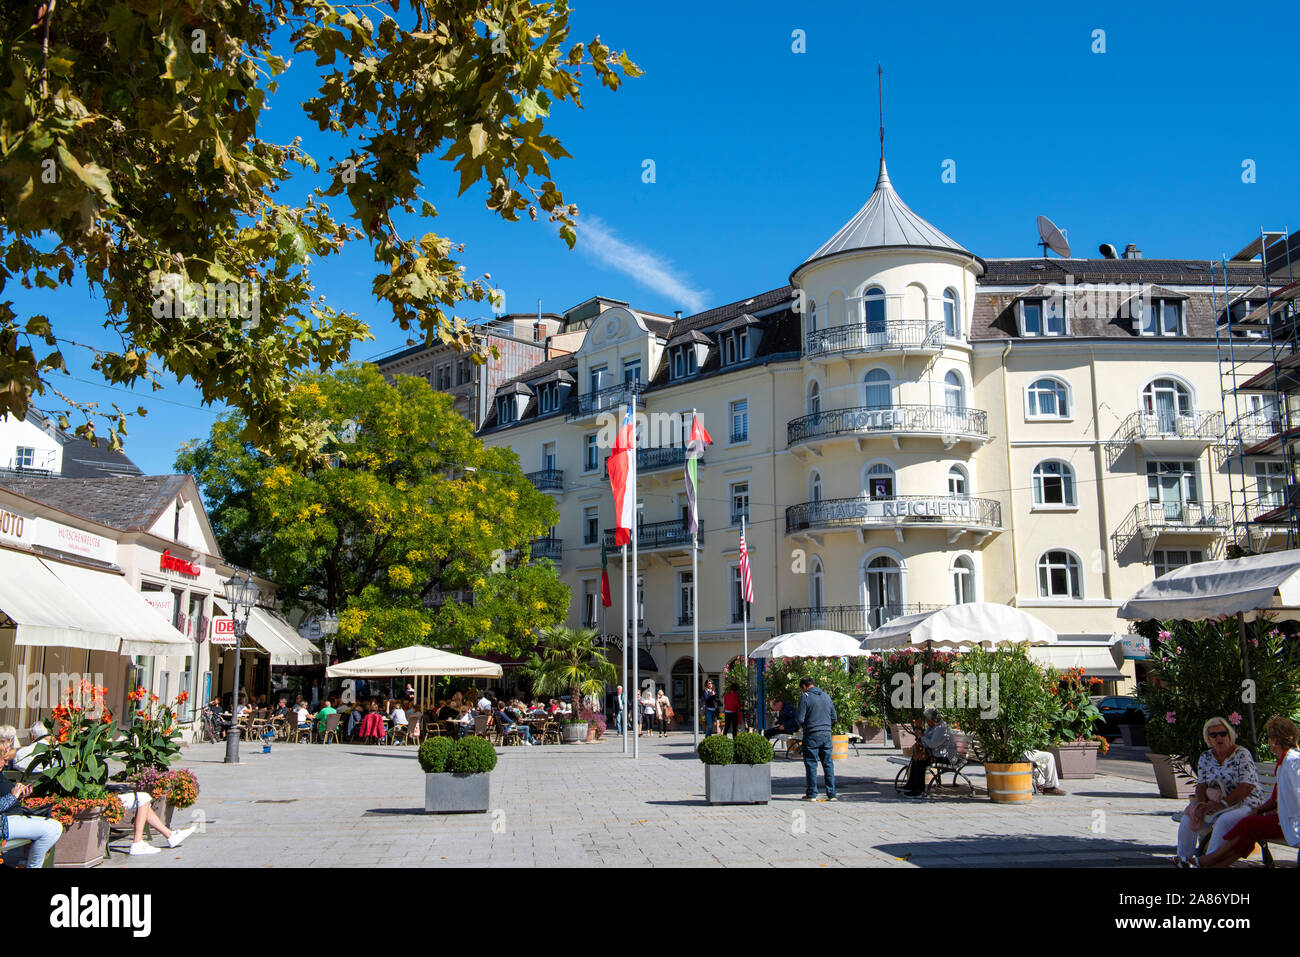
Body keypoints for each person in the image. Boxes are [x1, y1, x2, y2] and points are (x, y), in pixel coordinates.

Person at [1191, 715, 1300, 868]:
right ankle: (1210, 863)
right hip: (1284, 818)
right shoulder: (1285, 760)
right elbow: (1276, 798)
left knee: (1248, 825)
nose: (1268, 742)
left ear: (1274, 740)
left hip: (1291, 821)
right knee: (1249, 827)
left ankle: (1206, 861)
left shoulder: (1292, 761)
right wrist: (1260, 810)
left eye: (1269, 738)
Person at [1175, 716, 1269, 866]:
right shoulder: (1206, 756)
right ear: (1208, 738)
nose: (1219, 738)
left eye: (1223, 733)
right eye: (1214, 735)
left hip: (1246, 803)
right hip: (1217, 802)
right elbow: (1201, 785)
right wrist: (1200, 804)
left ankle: (1208, 863)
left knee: (1223, 821)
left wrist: (1223, 805)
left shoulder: (1241, 754)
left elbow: (1246, 786)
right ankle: (1183, 860)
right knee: (1189, 818)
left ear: (1229, 735)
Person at [0, 725, 62, 866]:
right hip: (3, 823)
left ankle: (26, 862)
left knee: (51, 824)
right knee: (53, 829)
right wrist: (13, 796)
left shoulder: (1, 771)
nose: (6, 763)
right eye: (4, 759)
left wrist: (20, 794)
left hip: (10, 818)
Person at [116, 789, 195, 856]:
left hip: (107, 796)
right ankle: (137, 843)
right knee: (143, 798)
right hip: (106, 799)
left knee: (144, 801)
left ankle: (170, 835)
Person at [796, 676, 837, 801]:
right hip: (826, 734)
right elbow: (834, 717)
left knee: (811, 764)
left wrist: (806, 726)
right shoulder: (826, 696)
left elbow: (800, 719)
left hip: (812, 734)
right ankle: (832, 794)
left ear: (804, 686)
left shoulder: (805, 697)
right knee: (828, 763)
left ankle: (812, 793)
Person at [902, 708, 958, 797]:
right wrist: (919, 729)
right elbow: (924, 740)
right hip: (936, 754)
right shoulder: (932, 727)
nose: (926, 721)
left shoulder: (941, 728)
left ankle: (919, 790)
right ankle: (911, 785)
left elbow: (932, 744)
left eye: (927, 719)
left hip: (946, 758)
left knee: (921, 761)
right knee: (917, 757)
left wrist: (921, 736)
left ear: (933, 719)